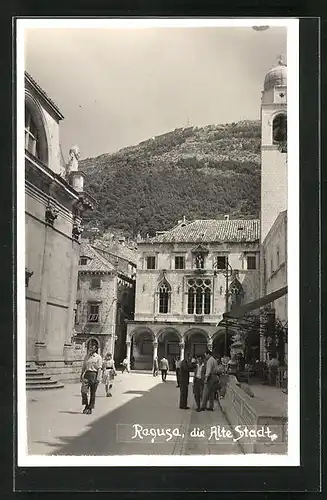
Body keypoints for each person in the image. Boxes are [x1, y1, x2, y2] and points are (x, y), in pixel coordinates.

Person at [80, 344, 102, 414]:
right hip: (87, 374)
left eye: (92, 348)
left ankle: (90, 408)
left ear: (95, 349)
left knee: (93, 393)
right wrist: (81, 375)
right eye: (90, 348)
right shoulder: (87, 356)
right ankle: (86, 405)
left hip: (94, 375)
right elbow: (84, 367)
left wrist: (98, 378)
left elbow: (99, 369)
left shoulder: (98, 357)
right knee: (83, 391)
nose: (90, 349)